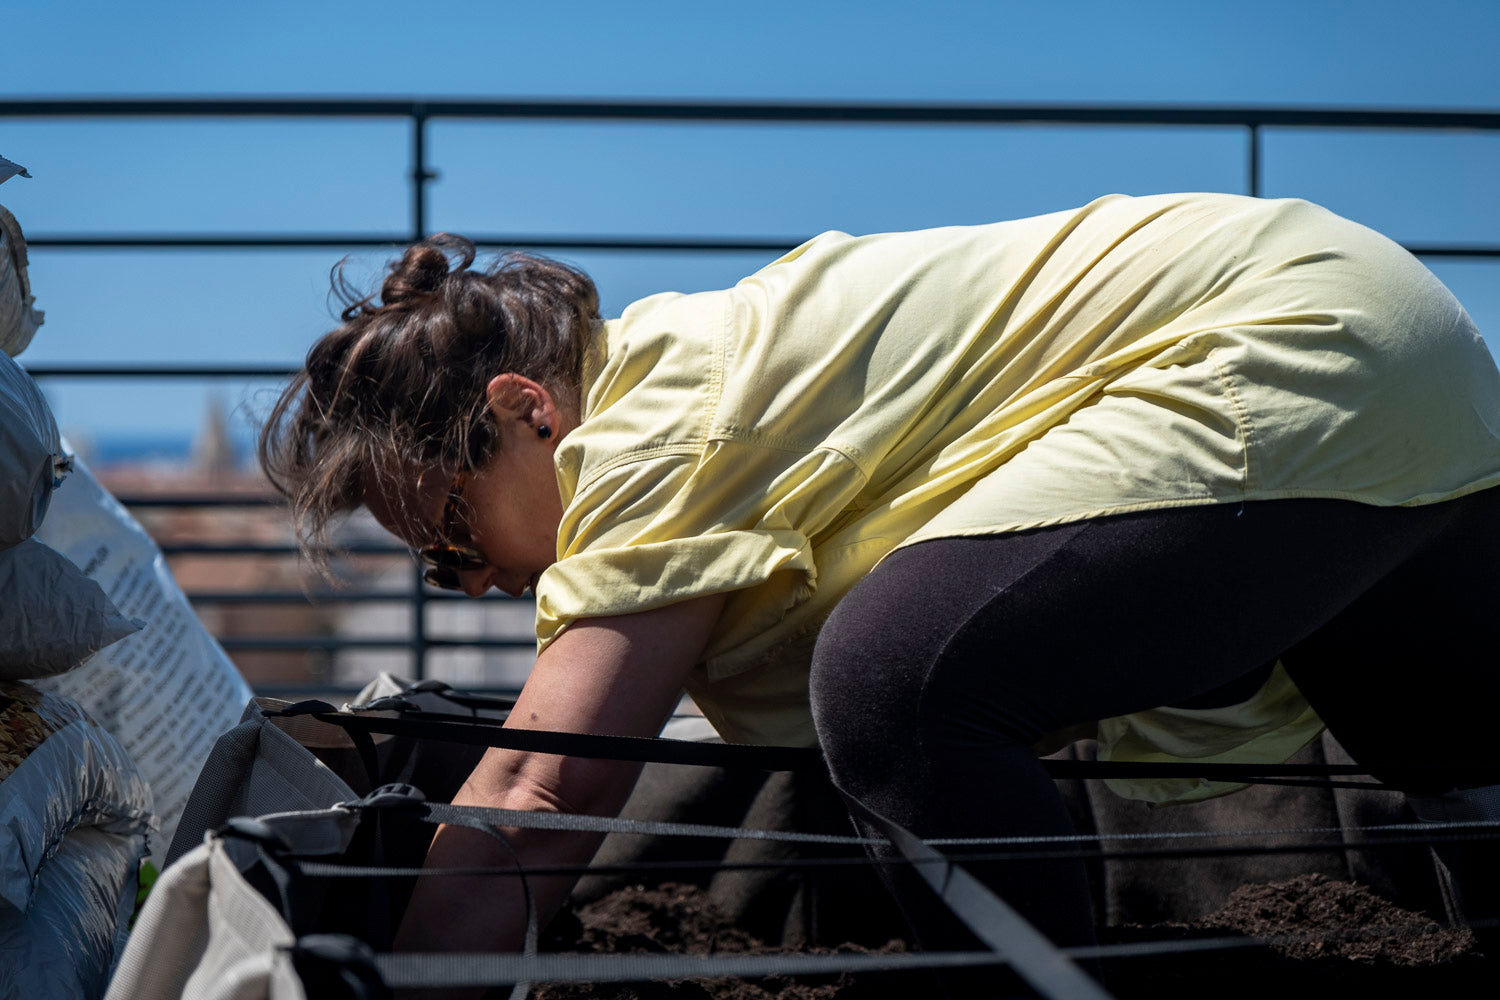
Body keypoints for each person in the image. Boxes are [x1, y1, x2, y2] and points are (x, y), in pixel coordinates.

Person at [259, 192, 1500, 992]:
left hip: (1281, 344)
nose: (478, 589)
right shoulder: (715, 381)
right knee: (1439, 746)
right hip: (1407, 348)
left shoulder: (647, 429)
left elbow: (539, 786)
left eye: (454, 540)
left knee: (899, 680)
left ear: (527, 411)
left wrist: (396, 981)